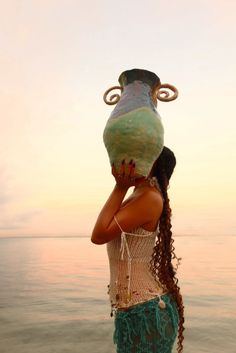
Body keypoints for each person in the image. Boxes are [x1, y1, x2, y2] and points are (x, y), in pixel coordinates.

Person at [91, 147, 184, 353]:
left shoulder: (149, 198)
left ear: (151, 165)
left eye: (141, 157)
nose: (134, 161)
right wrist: (123, 187)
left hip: (147, 312)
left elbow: (98, 235)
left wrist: (119, 187)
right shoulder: (139, 195)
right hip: (139, 311)